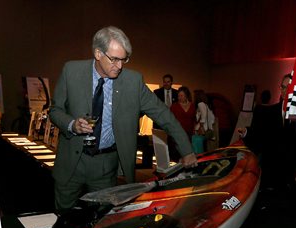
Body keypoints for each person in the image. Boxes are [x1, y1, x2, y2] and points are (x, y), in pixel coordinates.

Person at [49, 26, 197, 213]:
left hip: (105, 168)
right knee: (63, 218)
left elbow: (163, 114)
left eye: (124, 59)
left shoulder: (133, 82)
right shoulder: (71, 71)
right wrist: (71, 125)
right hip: (71, 164)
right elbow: (55, 110)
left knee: (102, 224)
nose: (119, 66)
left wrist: (187, 150)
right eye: (114, 59)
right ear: (97, 53)